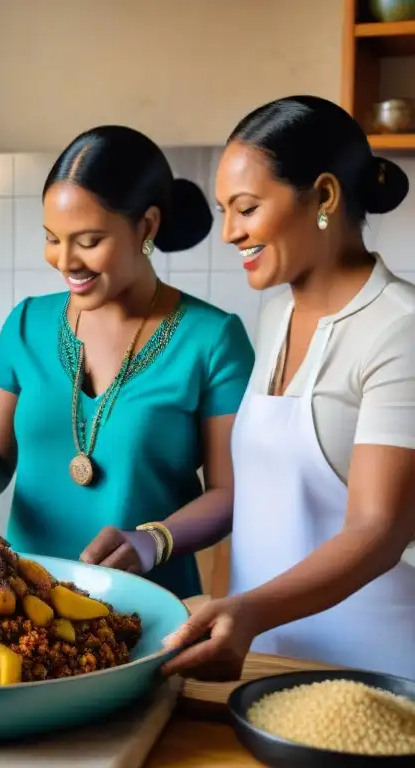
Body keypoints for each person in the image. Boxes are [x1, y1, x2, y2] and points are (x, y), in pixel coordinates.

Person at [0, 126, 255, 599]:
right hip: (25, 603)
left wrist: (153, 541)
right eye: (52, 238)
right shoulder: (26, 324)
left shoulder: (213, 339)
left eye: (89, 241)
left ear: (147, 227)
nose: (65, 260)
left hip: (150, 603)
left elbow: (229, 494)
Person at [162, 95, 415, 681]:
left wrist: (248, 611)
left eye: (246, 208)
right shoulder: (273, 316)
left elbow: (379, 531)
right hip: (263, 658)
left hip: (374, 668)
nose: (229, 233)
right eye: (225, 210)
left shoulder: (400, 328)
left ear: (324, 196)